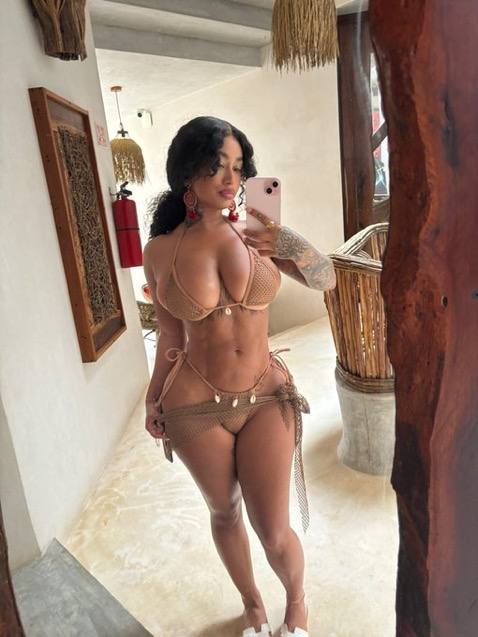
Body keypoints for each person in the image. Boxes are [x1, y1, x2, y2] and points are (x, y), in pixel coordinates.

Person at [143, 116, 336, 637]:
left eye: (237, 166)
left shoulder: (257, 232)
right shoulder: (160, 250)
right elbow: (170, 335)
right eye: (216, 165)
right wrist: (152, 399)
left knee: (273, 529)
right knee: (224, 512)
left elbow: (326, 279)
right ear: (188, 173)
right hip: (193, 405)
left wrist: (286, 240)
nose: (230, 178)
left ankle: (296, 602)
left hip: (266, 395)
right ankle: (252, 607)